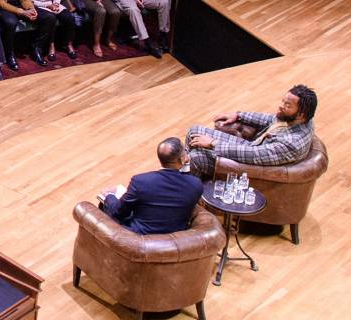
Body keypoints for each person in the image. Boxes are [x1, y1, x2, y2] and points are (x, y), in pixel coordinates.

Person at [185, 85, 318, 179]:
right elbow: (271, 119)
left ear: (301, 114)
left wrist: (213, 143)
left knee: (195, 157)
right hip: (252, 148)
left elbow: (253, 155)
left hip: (250, 166)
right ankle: (189, 176)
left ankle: (187, 192)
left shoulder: (291, 143)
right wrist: (238, 115)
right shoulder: (300, 119)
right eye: (283, 101)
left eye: (287, 105)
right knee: (194, 132)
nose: (281, 106)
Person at [99, 139, 204, 235]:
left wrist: (109, 196)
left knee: (104, 205)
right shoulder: (196, 185)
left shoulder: (141, 181)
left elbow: (118, 213)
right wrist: (186, 163)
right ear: (183, 158)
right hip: (174, 239)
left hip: (141, 238)